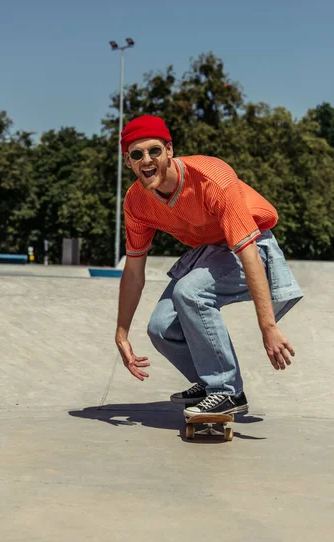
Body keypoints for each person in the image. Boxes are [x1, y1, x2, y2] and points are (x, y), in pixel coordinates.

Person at [115, 115, 303, 418]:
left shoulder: (211, 179)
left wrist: (268, 327)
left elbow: (248, 254)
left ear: (169, 151)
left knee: (190, 291)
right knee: (161, 328)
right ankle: (208, 381)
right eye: (137, 155)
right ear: (128, 161)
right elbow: (134, 271)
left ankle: (227, 391)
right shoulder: (136, 202)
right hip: (210, 253)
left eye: (154, 151)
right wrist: (122, 333)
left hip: (252, 248)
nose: (146, 161)